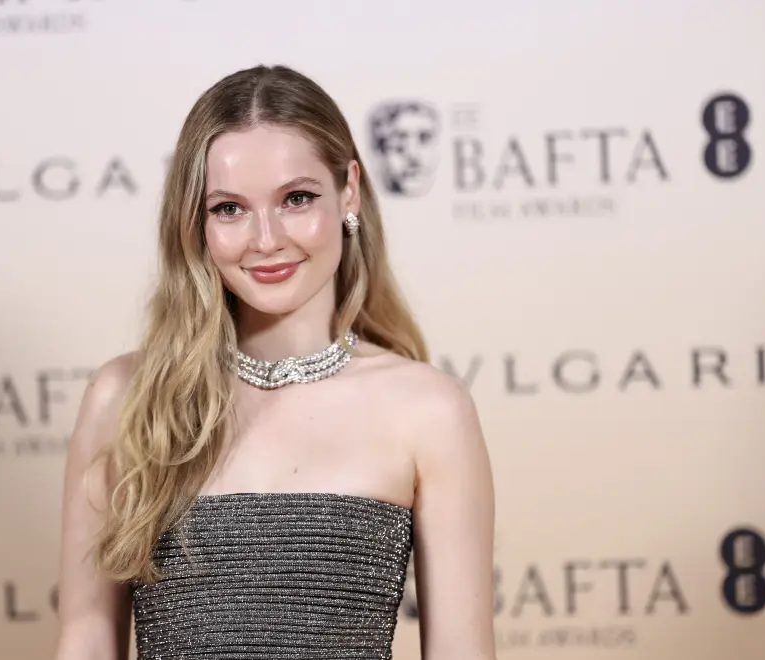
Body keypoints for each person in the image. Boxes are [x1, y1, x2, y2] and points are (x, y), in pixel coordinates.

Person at [54, 64, 496, 660]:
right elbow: (85, 639)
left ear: (350, 192)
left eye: (297, 198)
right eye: (230, 209)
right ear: (196, 222)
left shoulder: (428, 410)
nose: (266, 239)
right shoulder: (125, 396)